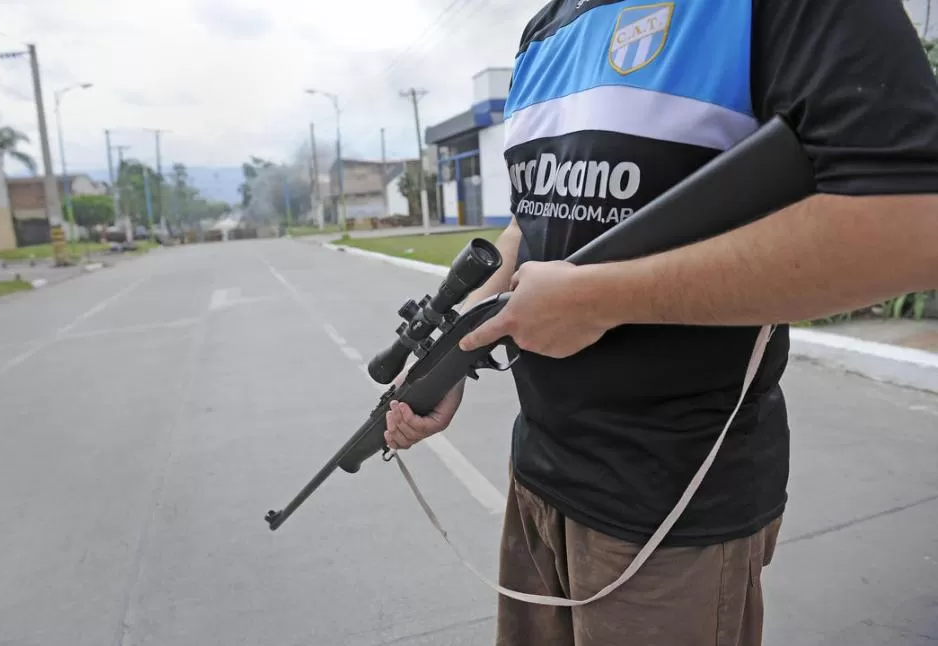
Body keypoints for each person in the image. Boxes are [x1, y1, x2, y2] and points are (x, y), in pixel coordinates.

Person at [384, 0, 938, 644]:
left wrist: (601, 299)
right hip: (538, 473)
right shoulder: (545, 29)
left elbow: (911, 220)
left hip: (671, 500)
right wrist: (460, 341)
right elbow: (531, 216)